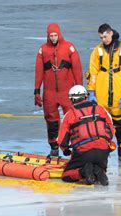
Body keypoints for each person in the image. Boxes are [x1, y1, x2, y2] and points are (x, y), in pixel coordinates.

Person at [87, 23, 121, 162]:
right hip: (102, 97)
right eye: (101, 37)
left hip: (118, 97)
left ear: (111, 33)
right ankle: (103, 153)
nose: (104, 39)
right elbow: (93, 72)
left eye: (106, 36)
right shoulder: (97, 51)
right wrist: (91, 92)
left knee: (120, 128)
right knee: (101, 129)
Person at [34, 23, 83, 157]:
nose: (54, 38)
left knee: (72, 118)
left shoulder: (69, 48)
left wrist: (80, 88)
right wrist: (36, 90)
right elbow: (39, 72)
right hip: (49, 93)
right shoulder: (42, 50)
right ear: (48, 36)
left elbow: (77, 69)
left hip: (67, 91)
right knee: (51, 120)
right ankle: (54, 146)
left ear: (59, 34)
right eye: (51, 36)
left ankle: (72, 145)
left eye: (55, 35)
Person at [58, 85, 116, 186]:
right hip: (103, 151)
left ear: (71, 99)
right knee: (97, 164)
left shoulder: (70, 114)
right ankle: (99, 169)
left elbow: (62, 141)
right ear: (86, 96)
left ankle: (83, 172)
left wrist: (65, 150)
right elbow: (111, 130)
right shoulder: (101, 109)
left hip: (83, 152)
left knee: (66, 176)